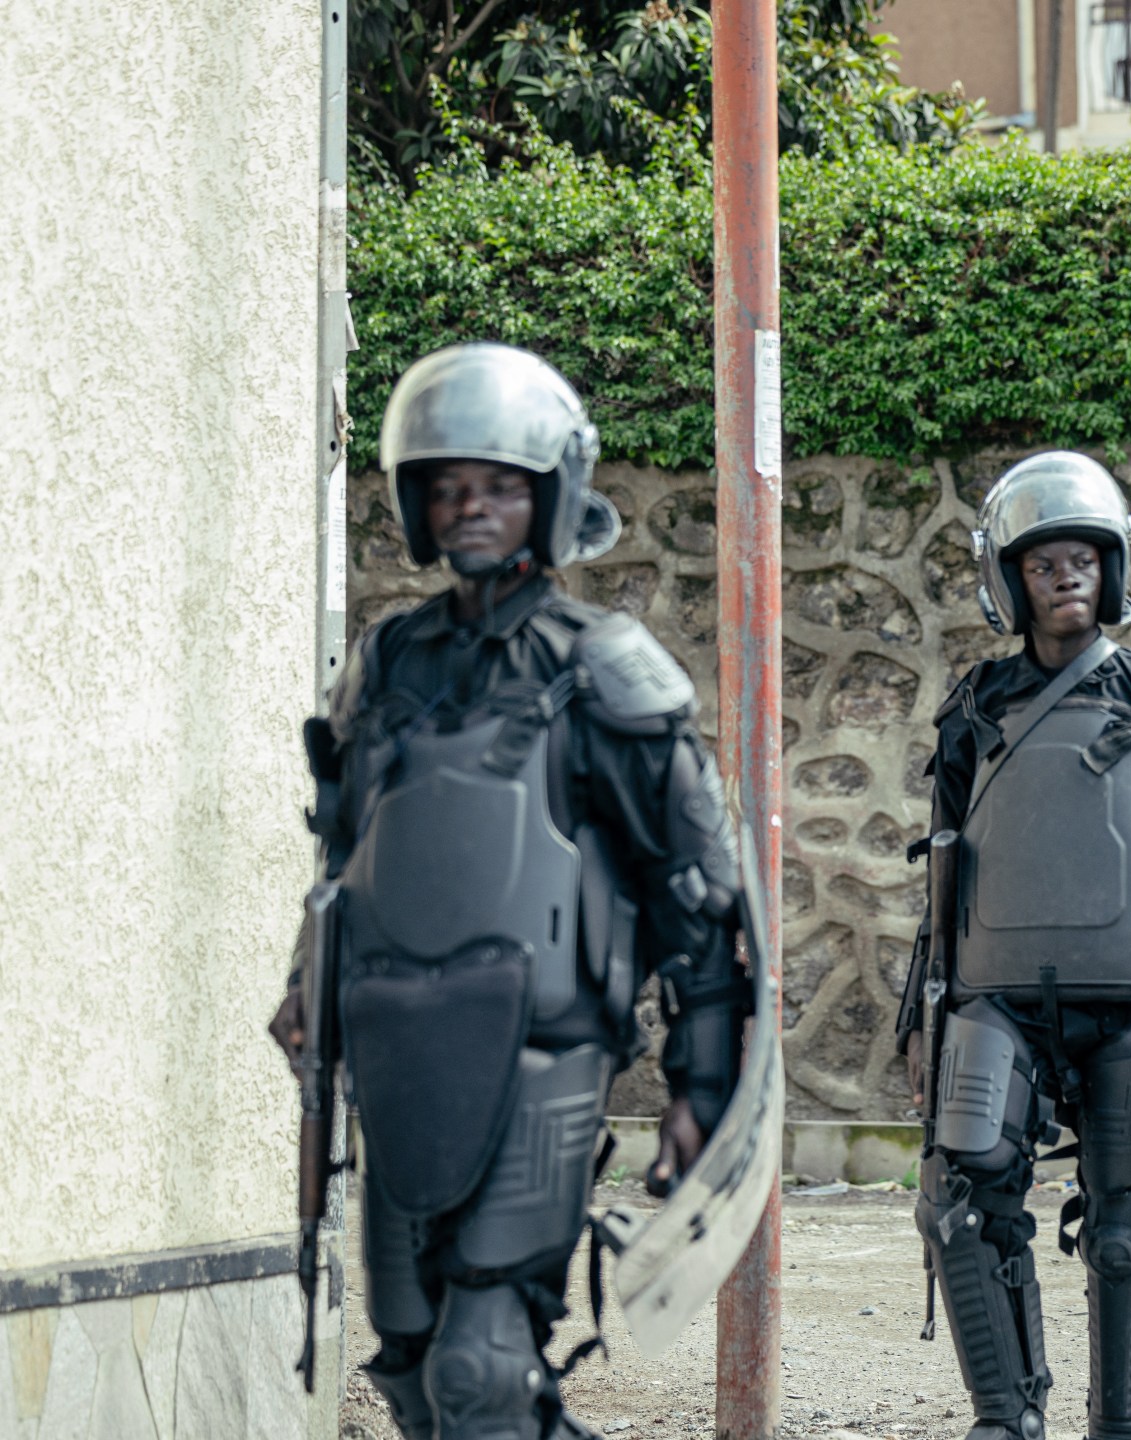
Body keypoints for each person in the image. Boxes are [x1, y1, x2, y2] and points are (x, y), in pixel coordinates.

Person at [268, 343, 752, 1440]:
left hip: (546, 1057)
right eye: (447, 486)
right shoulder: (388, 663)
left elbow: (694, 893)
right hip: (398, 1053)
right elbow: (344, 856)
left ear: (551, 496)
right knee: (409, 1361)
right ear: (417, 504)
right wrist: (306, 980)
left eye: (498, 485)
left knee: (482, 1370)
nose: (470, 507)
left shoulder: (601, 665)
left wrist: (702, 1085)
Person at [894, 452, 1131, 1440]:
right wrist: (923, 1015)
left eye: (1083, 561)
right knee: (961, 1197)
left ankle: (1124, 1425)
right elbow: (944, 874)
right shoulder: (975, 707)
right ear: (1009, 580)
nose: (1066, 578)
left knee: (1125, 1230)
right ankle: (1005, 1418)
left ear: (1113, 569)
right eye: (1043, 563)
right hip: (996, 996)